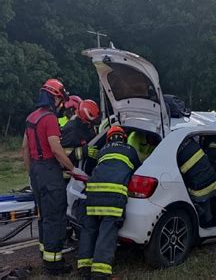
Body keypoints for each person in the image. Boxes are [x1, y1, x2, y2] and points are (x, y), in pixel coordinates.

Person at [21, 79, 78, 275]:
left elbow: (24, 149)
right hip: (49, 171)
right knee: (55, 217)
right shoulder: (49, 118)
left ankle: (46, 255)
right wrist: (72, 169)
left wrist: (31, 173)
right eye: (60, 100)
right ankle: (55, 264)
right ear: (54, 97)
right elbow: (56, 149)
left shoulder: (31, 117)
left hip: (36, 172)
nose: (61, 104)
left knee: (44, 216)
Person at [77, 126, 140, 279]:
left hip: (92, 194)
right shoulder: (130, 150)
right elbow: (138, 170)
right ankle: (100, 272)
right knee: (107, 232)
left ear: (108, 138)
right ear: (123, 138)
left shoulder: (103, 150)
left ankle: (84, 268)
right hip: (114, 196)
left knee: (89, 230)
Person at [177, 137, 216, 224]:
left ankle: (203, 218)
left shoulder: (177, 153)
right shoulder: (191, 142)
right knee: (207, 205)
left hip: (199, 191)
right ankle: (209, 220)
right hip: (213, 183)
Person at [61, 99, 101, 166]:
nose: (92, 124)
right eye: (92, 122)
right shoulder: (72, 129)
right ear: (86, 119)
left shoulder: (86, 126)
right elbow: (63, 154)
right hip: (70, 172)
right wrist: (83, 151)